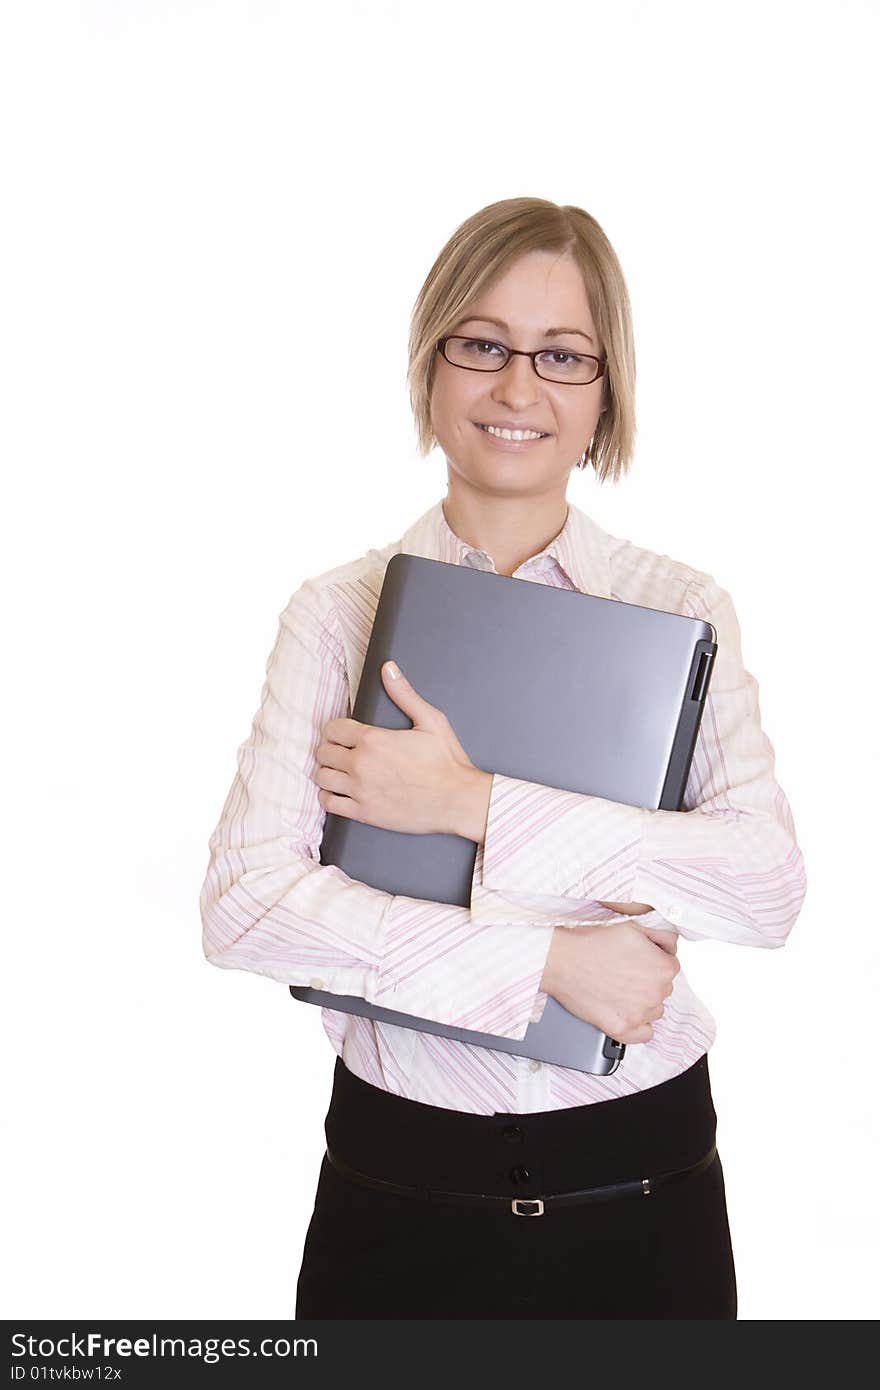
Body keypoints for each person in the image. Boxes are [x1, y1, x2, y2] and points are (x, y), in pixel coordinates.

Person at [199, 196, 807, 1319]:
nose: (517, 388)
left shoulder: (680, 610)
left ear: (603, 392)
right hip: (395, 1192)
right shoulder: (338, 615)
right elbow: (244, 907)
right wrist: (545, 967)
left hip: (645, 1184)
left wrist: (471, 802)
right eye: (481, 345)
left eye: (561, 355)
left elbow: (763, 888)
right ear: (431, 368)